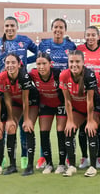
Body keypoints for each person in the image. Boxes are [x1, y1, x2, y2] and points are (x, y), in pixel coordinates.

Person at [0, 16, 38, 170]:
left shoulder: (25, 40)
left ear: (17, 27)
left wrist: (25, 59)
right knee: (7, 124)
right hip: (4, 86)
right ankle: (5, 158)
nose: (9, 28)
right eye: (7, 26)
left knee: (22, 126)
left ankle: (25, 156)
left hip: (21, 84)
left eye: (12, 25)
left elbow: (38, 53)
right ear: (4, 27)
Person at [36, 18, 76, 169]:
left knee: (64, 129)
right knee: (44, 129)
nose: (58, 29)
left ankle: (66, 158)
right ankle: (43, 158)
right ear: (52, 29)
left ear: (65, 30)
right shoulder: (44, 44)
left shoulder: (70, 45)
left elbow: (74, 63)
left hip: (63, 90)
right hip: (47, 88)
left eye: (61, 27)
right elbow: (39, 61)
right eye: (55, 27)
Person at [59, 50, 100, 177]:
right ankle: (72, 166)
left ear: (83, 62)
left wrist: (90, 121)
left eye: (77, 61)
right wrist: (70, 120)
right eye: (71, 61)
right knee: (69, 130)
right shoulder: (64, 75)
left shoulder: (89, 75)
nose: (74, 64)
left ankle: (93, 166)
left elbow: (90, 101)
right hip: (77, 109)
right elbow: (67, 100)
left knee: (91, 129)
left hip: (94, 107)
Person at [76, 26, 100, 169]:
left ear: (98, 36)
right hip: (83, 92)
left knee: (98, 127)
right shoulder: (80, 49)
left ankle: (98, 157)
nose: (90, 38)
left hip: (99, 93)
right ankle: (84, 156)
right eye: (88, 35)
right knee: (83, 127)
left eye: (93, 35)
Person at [0, 53, 39, 176]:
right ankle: (12, 165)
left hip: (31, 101)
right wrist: (10, 118)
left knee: (27, 127)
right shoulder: (2, 76)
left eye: (13, 63)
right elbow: (7, 98)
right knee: (10, 127)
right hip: (15, 101)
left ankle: (30, 165)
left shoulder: (24, 76)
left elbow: (25, 100)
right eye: (7, 63)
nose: (10, 65)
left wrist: (26, 119)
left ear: (19, 64)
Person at [29, 52, 67, 174]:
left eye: (44, 63)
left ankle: (62, 164)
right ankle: (49, 164)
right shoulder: (33, 74)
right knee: (44, 133)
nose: (41, 67)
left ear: (51, 64)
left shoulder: (58, 74)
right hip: (46, 106)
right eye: (38, 64)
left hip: (61, 104)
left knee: (61, 131)